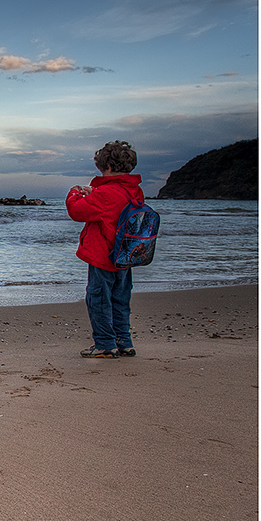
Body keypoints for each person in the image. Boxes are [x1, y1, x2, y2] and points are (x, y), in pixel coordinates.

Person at [66, 140, 144, 358]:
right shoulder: (134, 191)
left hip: (103, 255)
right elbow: (112, 207)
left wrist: (75, 192)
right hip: (125, 255)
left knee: (98, 298)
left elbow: (76, 211)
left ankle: (105, 344)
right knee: (120, 299)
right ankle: (124, 342)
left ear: (107, 167)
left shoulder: (106, 194)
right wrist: (96, 191)